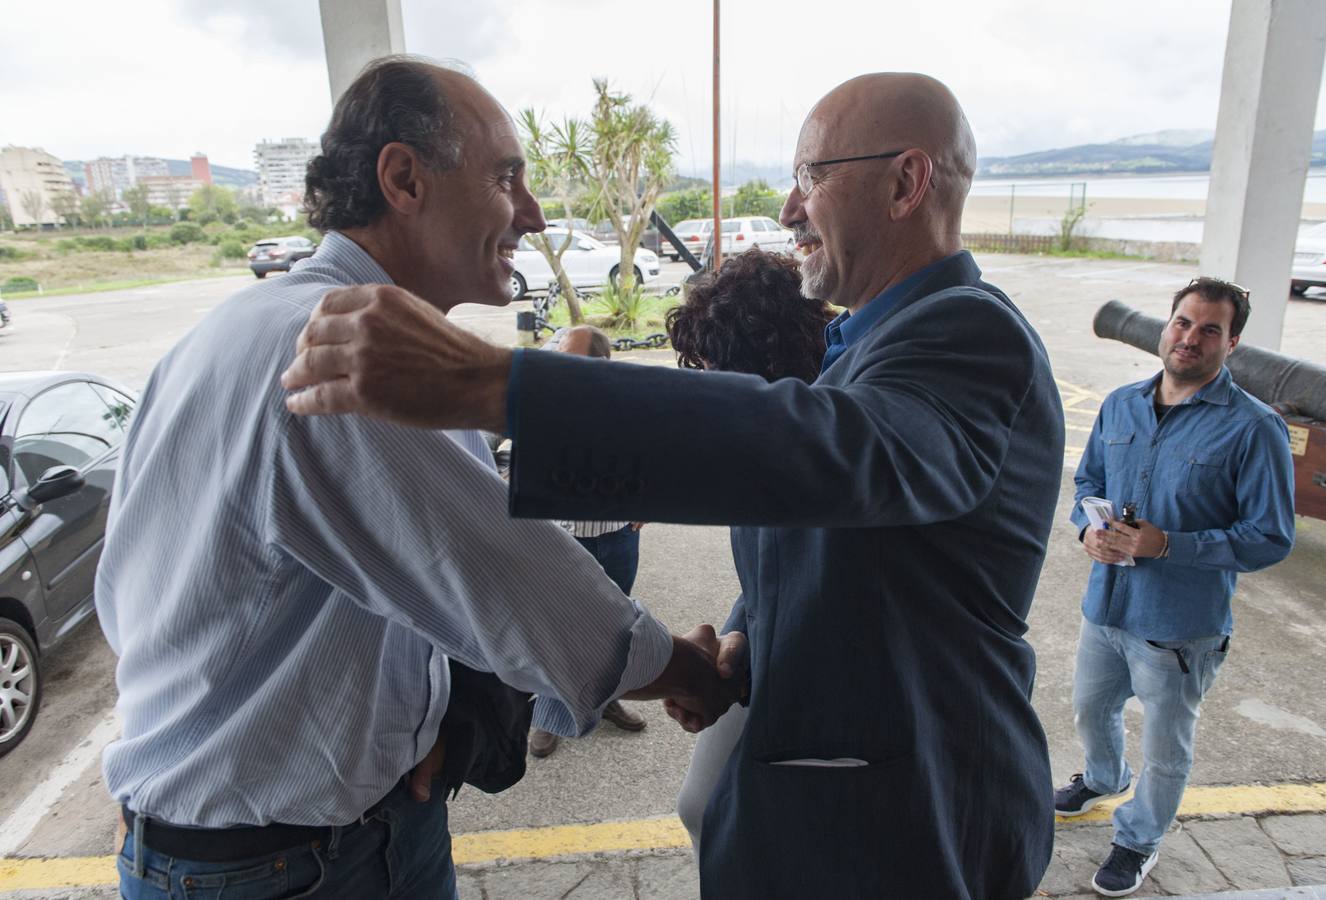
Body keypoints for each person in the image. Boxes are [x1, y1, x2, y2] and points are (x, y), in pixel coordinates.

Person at [282, 72, 1065, 899]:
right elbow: (837, 534)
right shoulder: (867, 344)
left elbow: (834, 455)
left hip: (910, 827)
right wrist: (742, 638)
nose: (792, 210)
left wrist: (504, 387)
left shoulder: (967, 333)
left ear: (907, 182)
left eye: (811, 177)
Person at [95, 56, 738, 899]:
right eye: (508, 178)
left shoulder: (235, 325)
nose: (535, 216)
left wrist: (423, 711)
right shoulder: (339, 352)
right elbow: (519, 586)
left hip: (281, 839)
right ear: (403, 178)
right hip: (291, 867)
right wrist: (691, 675)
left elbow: (149, 597)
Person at [1057, 277, 1295, 897]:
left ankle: (1138, 839)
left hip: (1180, 625)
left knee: (1166, 746)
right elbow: (1086, 486)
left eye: (1209, 329)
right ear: (1167, 327)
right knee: (1091, 707)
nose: (1190, 338)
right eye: (1183, 323)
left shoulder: (1254, 429)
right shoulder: (1120, 404)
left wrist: (1169, 545)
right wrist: (1087, 529)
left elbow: (1270, 537)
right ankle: (1104, 779)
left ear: (1232, 342)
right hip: (1105, 605)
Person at [663, 249, 834, 850]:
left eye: (713, 367)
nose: (704, 384)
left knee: (744, 820)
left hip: (825, 681)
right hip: (763, 647)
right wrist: (735, 644)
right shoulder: (751, 441)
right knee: (700, 806)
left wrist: (735, 669)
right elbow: (766, 576)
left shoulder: (821, 441)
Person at [529, 325, 647, 758]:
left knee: (616, 626)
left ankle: (607, 697)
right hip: (561, 540)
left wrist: (647, 500)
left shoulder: (627, 405)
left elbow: (652, 454)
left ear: (599, 364)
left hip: (615, 539)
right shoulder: (546, 405)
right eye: (559, 352)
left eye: (570, 354)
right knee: (557, 627)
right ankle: (548, 712)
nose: (561, 360)